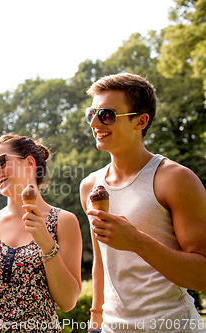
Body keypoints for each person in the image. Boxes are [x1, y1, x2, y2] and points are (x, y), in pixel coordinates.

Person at [80, 73, 206, 333]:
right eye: (91, 113)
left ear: (141, 121)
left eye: (107, 114)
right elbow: (102, 261)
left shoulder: (174, 179)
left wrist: (136, 241)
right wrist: (96, 320)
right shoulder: (90, 187)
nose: (95, 122)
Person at [0, 134, 82, 332]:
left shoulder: (64, 221)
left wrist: (47, 245)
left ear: (29, 163)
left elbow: (68, 302)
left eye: (0, 162)